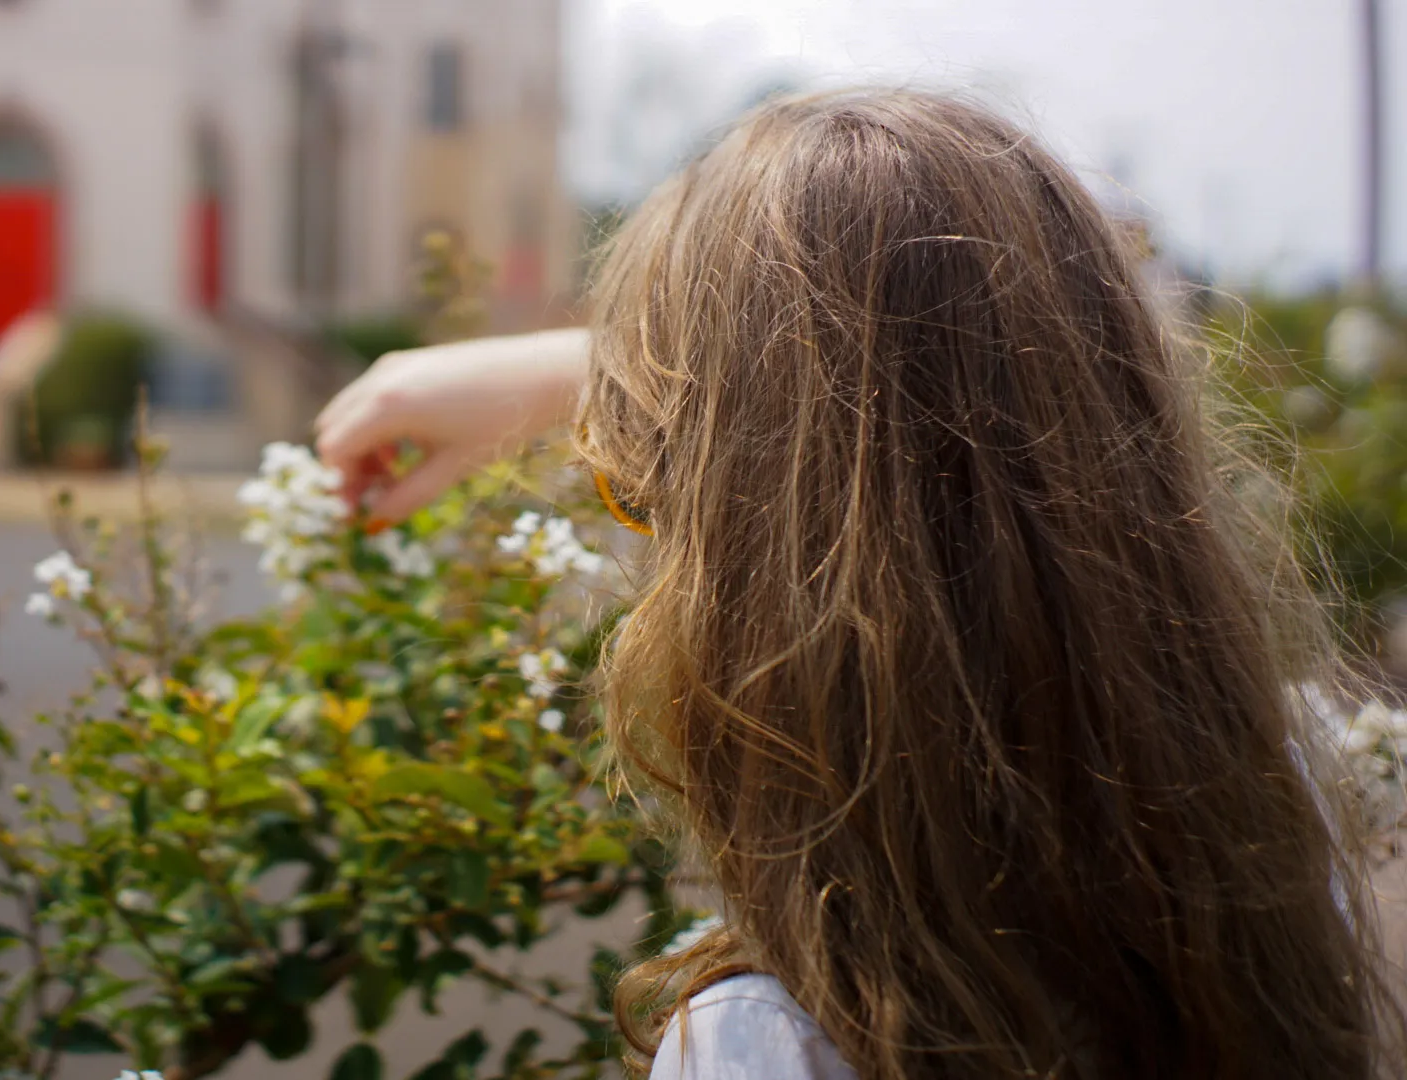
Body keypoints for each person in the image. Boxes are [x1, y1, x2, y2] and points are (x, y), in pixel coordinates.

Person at [315, 90, 1397, 1079]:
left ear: (750, 571)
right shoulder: (1285, 821)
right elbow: (968, 345)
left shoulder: (770, 1041)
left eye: (635, 485)